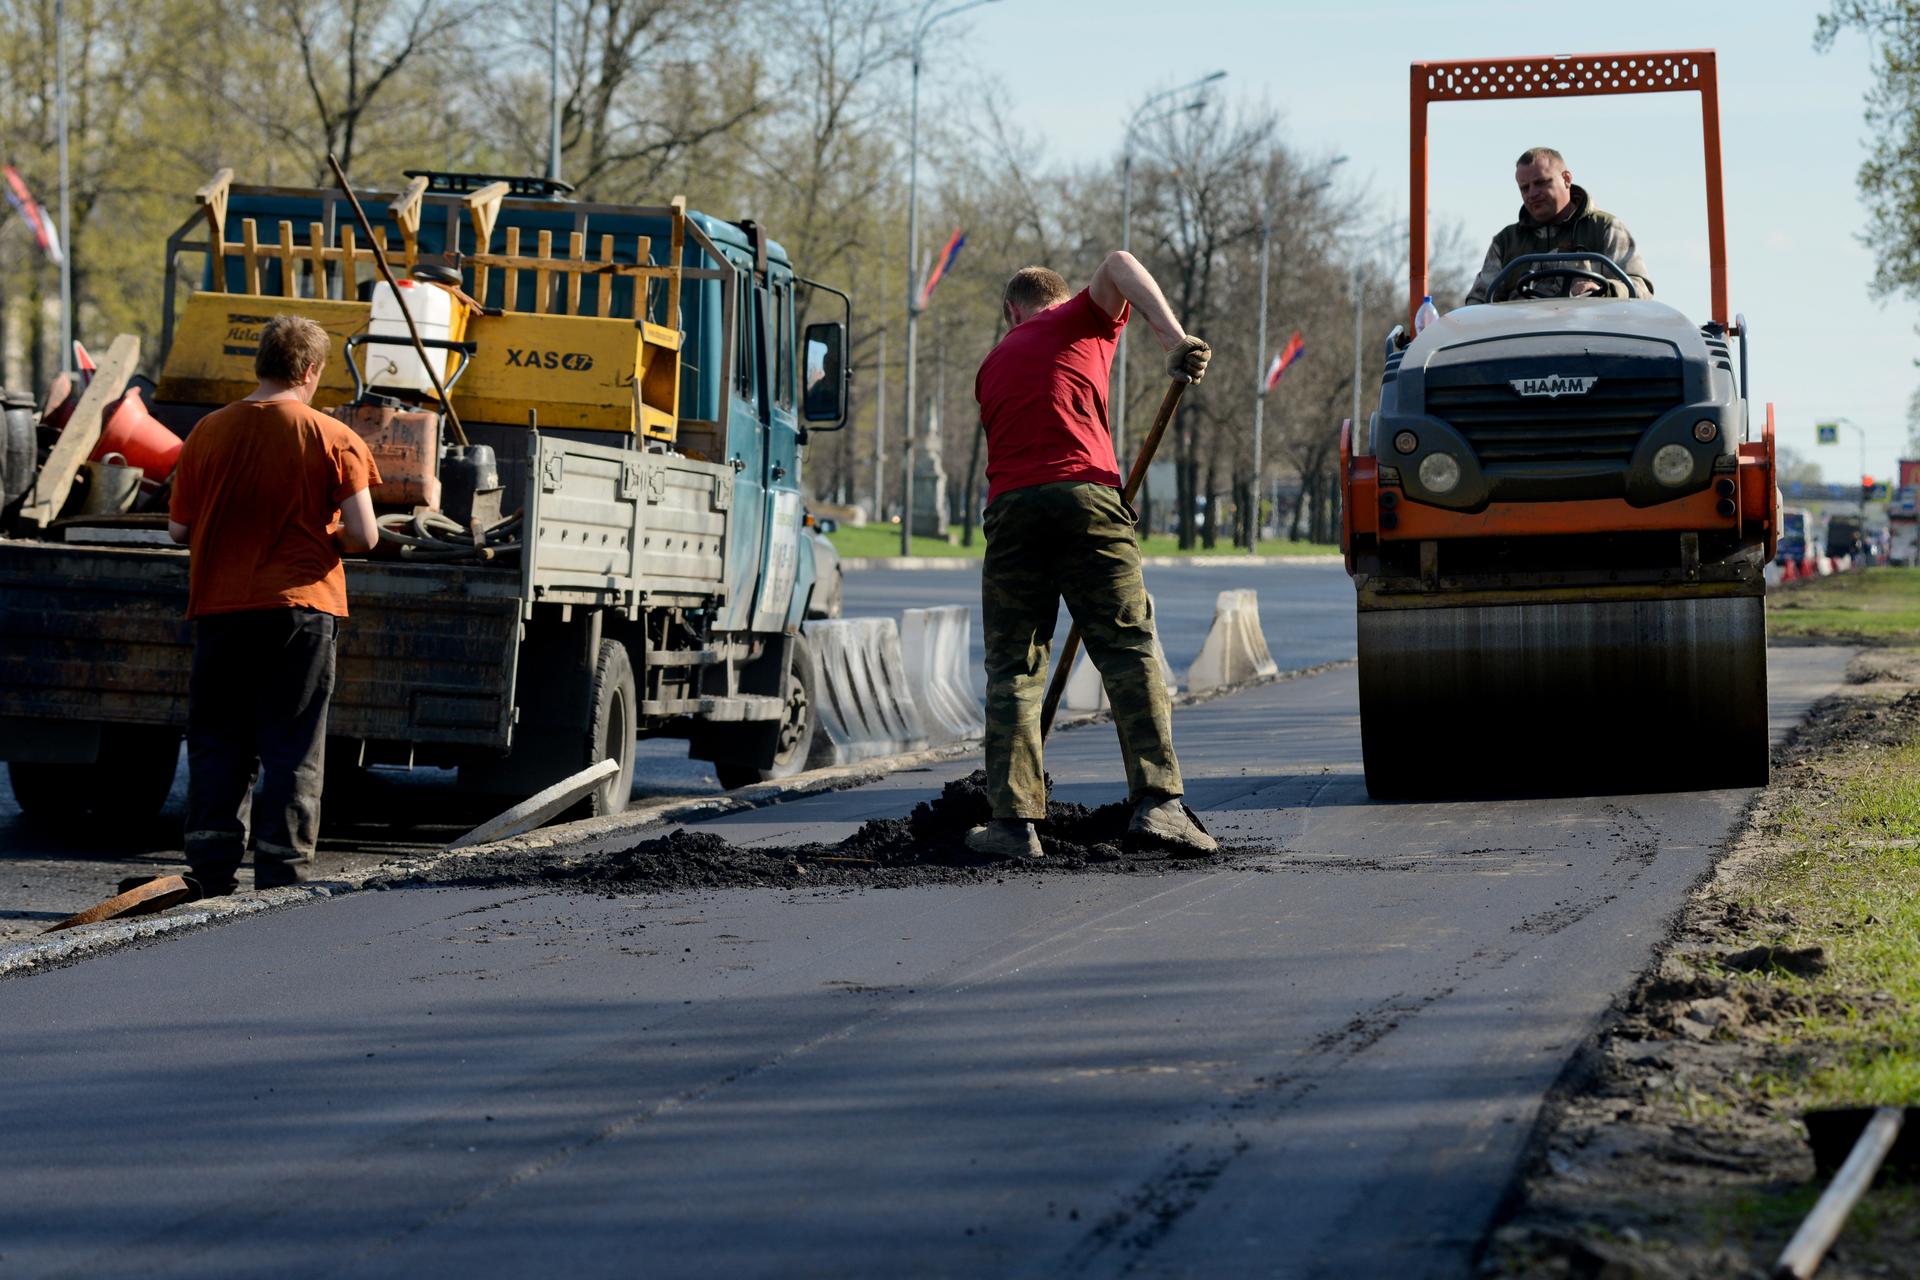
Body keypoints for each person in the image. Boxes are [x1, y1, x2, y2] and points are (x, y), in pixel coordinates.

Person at [967, 252, 1215, 860]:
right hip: (1085, 497)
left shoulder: (992, 362)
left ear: (1010, 312)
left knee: (1013, 668)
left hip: (1010, 511)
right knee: (1127, 650)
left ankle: (1012, 822)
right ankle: (1159, 805)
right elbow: (1119, 262)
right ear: (1060, 298)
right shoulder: (1081, 318)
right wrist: (1173, 339)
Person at [167, 315, 380, 895]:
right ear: (310, 370)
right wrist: (323, 538)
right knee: (292, 745)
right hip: (302, 611)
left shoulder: (206, 432)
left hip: (219, 608)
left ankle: (210, 871)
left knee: (218, 740)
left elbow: (177, 530)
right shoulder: (334, 438)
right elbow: (364, 536)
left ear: (259, 362)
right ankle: (282, 875)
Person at [1464, 147, 1653, 305]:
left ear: (1566, 179)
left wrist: (1606, 289)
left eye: (1541, 183)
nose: (1532, 194)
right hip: (1521, 339)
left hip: (1590, 338)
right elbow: (1477, 303)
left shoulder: (1605, 229)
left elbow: (1641, 290)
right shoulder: (1506, 242)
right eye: (1525, 188)